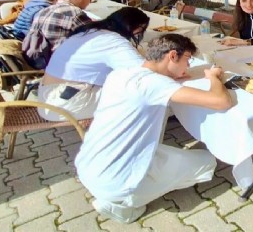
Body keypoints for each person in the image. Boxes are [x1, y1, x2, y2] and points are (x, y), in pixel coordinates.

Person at [75, 34, 232, 224]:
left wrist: (173, 75)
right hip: (115, 181)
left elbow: (152, 89)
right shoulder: (156, 85)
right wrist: (214, 77)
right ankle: (122, 203)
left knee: (167, 156)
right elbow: (221, 101)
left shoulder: (122, 73)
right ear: (172, 56)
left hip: (87, 165)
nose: (188, 66)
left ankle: (118, 193)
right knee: (207, 162)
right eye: (187, 60)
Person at [37, 7, 150, 121]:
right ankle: (128, 131)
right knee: (138, 92)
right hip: (65, 104)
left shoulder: (89, 32)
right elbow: (142, 71)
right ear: (133, 27)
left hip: (47, 97)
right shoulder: (112, 41)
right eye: (141, 29)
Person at [22, 0, 95, 69]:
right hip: (57, 63)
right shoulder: (75, 13)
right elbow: (93, 37)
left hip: (36, 57)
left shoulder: (46, 9)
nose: (90, 2)